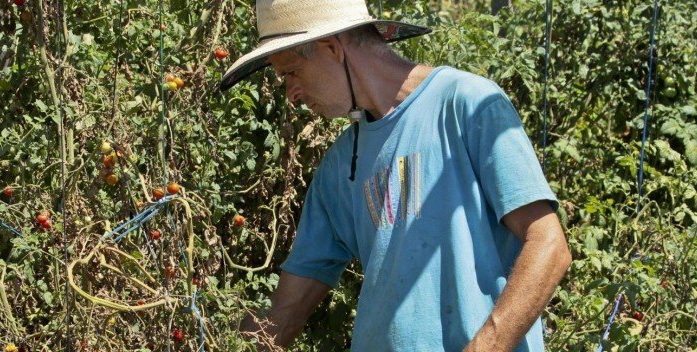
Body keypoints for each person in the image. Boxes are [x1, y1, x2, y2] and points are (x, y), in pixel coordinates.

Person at [218, 1, 572, 351]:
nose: (291, 94)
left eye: (291, 73)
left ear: (331, 49)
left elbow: (548, 245)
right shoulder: (340, 165)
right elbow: (285, 312)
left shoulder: (467, 105)